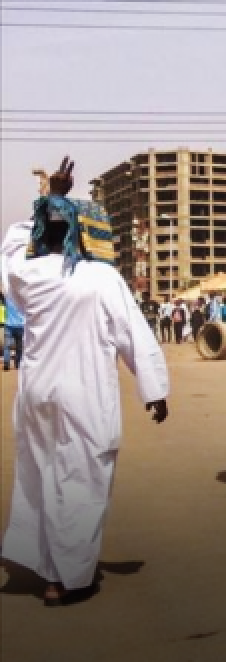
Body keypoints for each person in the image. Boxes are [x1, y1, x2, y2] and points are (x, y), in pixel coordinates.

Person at [1, 157, 169, 606]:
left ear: (41, 230)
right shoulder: (101, 276)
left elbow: (11, 244)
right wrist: (153, 390)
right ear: (78, 231)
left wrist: (51, 196)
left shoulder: (27, 275)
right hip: (85, 394)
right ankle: (67, 579)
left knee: (41, 474)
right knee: (81, 480)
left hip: (37, 393)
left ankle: (48, 566)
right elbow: (134, 333)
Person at [3, 288, 24, 370]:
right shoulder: (21, 299)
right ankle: (18, 364)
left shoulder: (8, 298)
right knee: (19, 346)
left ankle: (6, 364)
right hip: (20, 325)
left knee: (6, 346)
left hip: (9, 325)